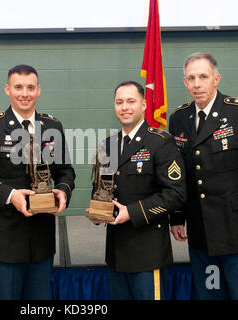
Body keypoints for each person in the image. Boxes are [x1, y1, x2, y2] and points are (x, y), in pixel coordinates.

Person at [0, 64, 75, 300]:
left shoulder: (52, 126)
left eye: (30, 87)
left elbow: (65, 172)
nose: (25, 93)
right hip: (5, 241)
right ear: (7, 89)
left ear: (39, 90)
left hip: (42, 241)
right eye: (18, 87)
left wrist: (63, 191)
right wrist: (10, 195)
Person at [168, 52, 238, 300]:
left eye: (203, 77)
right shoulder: (179, 119)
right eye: (191, 78)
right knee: (210, 296)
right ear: (185, 82)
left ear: (216, 79)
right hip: (201, 234)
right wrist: (177, 217)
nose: (197, 84)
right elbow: (181, 175)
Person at [87, 81, 186, 300]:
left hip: (147, 253)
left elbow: (176, 193)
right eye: (119, 102)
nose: (125, 107)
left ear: (143, 105)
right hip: (116, 253)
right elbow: (101, 189)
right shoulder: (108, 145)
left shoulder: (161, 142)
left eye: (131, 101)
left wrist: (131, 212)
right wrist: (97, 212)